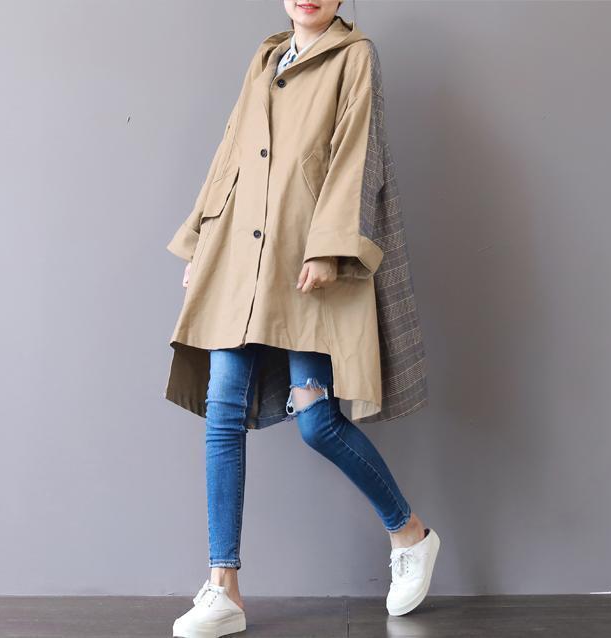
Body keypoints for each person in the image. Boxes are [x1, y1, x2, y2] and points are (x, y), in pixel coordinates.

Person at [168, 2, 439, 637]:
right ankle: (223, 588)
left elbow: (357, 157)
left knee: (316, 420)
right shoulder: (266, 57)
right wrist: (203, 241)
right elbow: (232, 151)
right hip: (240, 255)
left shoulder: (355, 57)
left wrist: (329, 249)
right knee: (223, 408)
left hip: (303, 258)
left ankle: (410, 533)